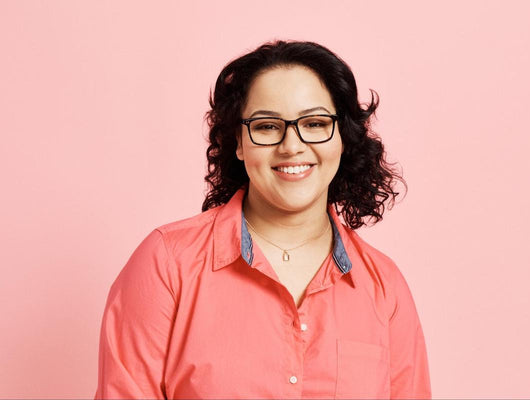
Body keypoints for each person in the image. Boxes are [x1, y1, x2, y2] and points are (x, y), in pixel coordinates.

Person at [94, 39, 431, 399]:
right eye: (268, 126)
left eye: (315, 123)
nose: (291, 146)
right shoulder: (166, 263)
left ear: (342, 139)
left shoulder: (384, 286)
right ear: (238, 142)